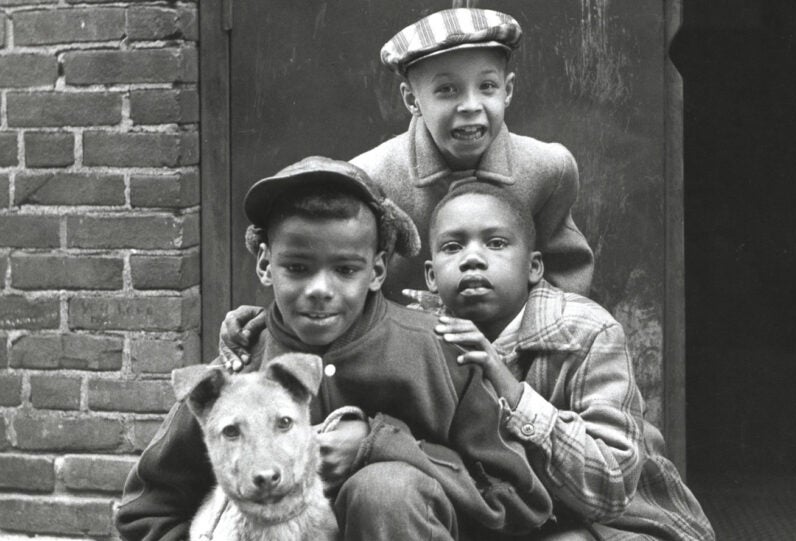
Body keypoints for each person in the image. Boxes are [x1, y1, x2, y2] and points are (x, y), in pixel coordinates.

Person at [115, 157, 552, 541]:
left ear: (377, 270)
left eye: (345, 269)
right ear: (267, 265)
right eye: (298, 268)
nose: (320, 290)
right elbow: (147, 509)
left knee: (386, 491)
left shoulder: (431, 352)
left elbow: (518, 501)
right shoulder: (238, 374)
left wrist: (382, 444)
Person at [427, 182, 714, 540]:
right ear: (431, 277)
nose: (471, 258)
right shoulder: (422, 336)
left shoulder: (588, 331)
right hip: (507, 518)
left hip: (616, 521)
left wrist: (508, 387)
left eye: (496, 243)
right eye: (452, 247)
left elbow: (612, 488)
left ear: (534, 267)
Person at [356, 6, 594, 301]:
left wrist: (516, 337)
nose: (471, 105)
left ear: (507, 91)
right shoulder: (371, 177)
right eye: (447, 89)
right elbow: (356, 282)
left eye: (487, 86)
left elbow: (566, 279)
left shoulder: (548, 169)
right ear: (411, 99)